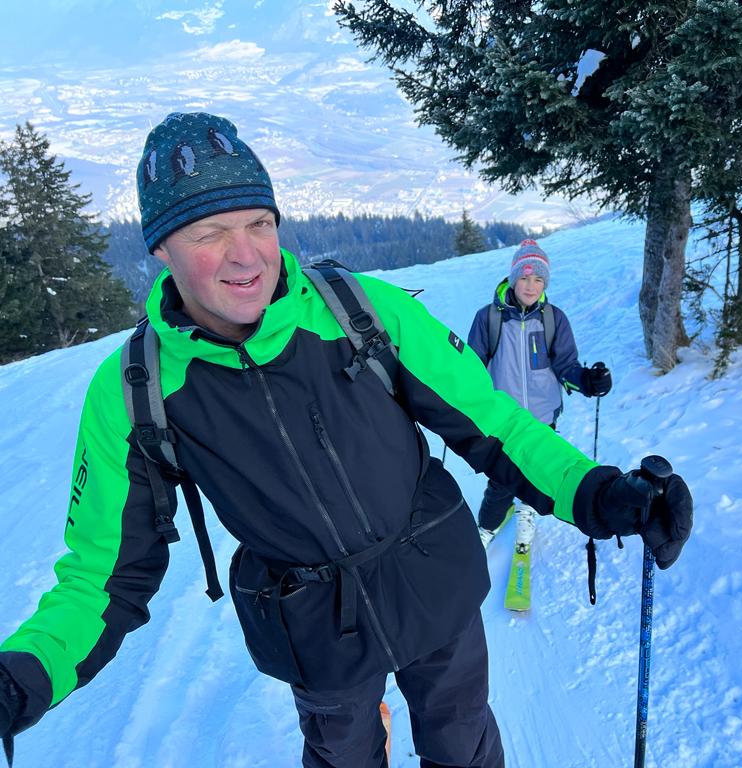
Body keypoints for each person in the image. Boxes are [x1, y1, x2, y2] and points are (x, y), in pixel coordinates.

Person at [0, 112, 693, 768]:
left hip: (434, 586)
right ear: (160, 246)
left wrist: (600, 493)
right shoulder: (134, 389)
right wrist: (23, 676)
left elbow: (497, 424)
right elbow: (101, 575)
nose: (246, 255)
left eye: (259, 222)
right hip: (314, 625)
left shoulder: (360, 311)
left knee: (464, 746)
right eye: (210, 232)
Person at [467, 241, 613, 549]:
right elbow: (473, 368)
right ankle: (488, 524)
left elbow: (566, 366)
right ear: (512, 279)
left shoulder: (553, 319)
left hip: (542, 415)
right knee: (502, 476)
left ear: (545, 283)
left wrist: (588, 381)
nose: (530, 286)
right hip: (504, 417)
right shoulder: (489, 318)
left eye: (538, 279)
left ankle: (527, 510)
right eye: (524, 277)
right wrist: (461, 394)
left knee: (537, 470)